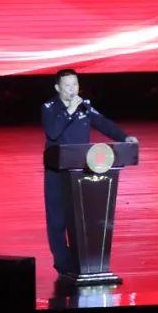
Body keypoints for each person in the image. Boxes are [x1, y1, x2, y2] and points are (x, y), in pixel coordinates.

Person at [41, 68, 137, 275]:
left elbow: (103, 122)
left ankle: (83, 261)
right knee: (58, 220)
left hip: (80, 170)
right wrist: (69, 111)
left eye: (75, 84)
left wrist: (124, 136)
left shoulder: (85, 106)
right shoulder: (49, 107)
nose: (72, 89)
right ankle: (63, 264)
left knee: (80, 218)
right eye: (67, 85)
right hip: (57, 172)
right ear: (57, 88)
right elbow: (53, 132)